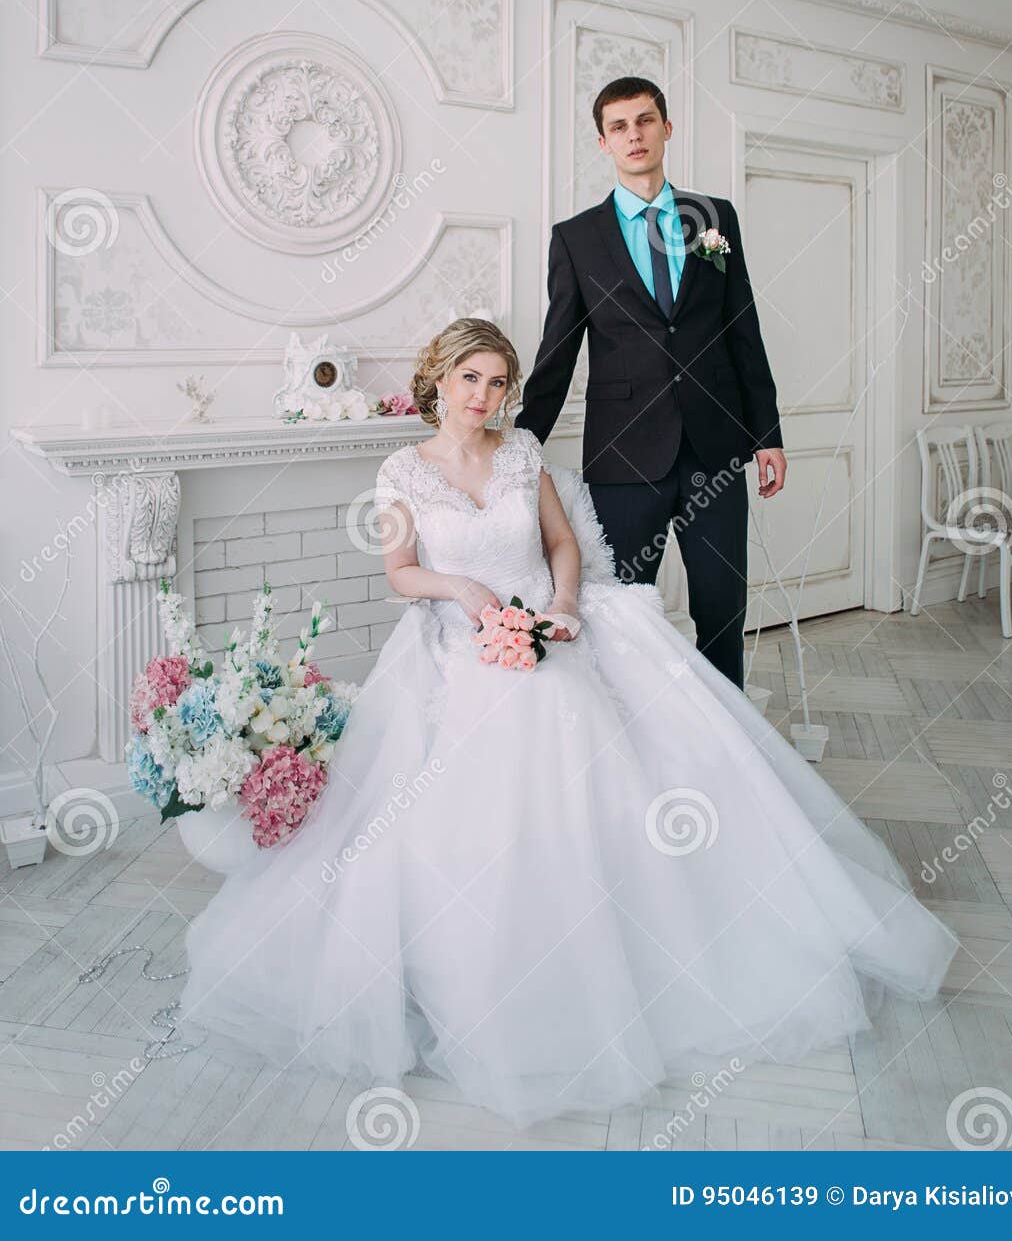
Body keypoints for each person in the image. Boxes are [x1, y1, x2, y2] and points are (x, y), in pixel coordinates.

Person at [178, 317, 958, 1132]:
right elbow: (402, 574)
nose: (484, 396)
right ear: (438, 381)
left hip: (552, 627)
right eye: (470, 378)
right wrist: (464, 594)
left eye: (496, 382)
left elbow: (561, 545)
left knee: (596, 726)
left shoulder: (522, 456)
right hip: (457, 640)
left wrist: (556, 607)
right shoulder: (400, 472)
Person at [517, 75, 785, 690]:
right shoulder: (577, 238)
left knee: (722, 604)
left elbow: (743, 329)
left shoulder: (715, 219)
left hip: (715, 446)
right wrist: (523, 443)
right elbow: (558, 348)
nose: (633, 135)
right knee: (618, 608)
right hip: (623, 454)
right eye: (619, 126)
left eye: (644, 121)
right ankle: (625, 739)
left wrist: (766, 433)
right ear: (603, 142)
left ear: (667, 128)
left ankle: (727, 734)